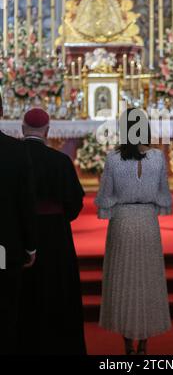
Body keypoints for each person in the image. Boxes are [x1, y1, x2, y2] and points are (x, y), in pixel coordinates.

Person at [95, 107, 172, 355]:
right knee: (148, 282)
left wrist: (108, 210)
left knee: (124, 283)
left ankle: (128, 343)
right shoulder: (159, 158)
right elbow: (163, 194)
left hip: (123, 222)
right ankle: (145, 344)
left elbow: (105, 197)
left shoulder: (113, 158)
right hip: (148, 221)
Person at [18, 108, 86, 355]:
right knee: (57, 290)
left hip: (19, 235)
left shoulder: (12, 157)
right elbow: (75, 202)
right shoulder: (60, 161)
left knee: (23, 291)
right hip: (55, 237)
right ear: (47, 131)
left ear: (22, 128)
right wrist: (58, 218)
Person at [0, 93, 36, 355]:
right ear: (2, 112)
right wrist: (31, 246)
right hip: (5, 243)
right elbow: (26, 202)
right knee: (6, 306)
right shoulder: (16, 150)